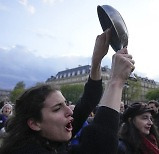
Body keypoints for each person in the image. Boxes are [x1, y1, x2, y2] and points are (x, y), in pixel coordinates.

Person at [0, 29, 135, 154]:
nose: (70, 110)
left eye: (65, 103)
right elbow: (98, 147)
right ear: (34, 123)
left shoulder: (47, 136)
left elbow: (89, 100)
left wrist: (96, 62)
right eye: (57, 108)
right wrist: (116, 82)